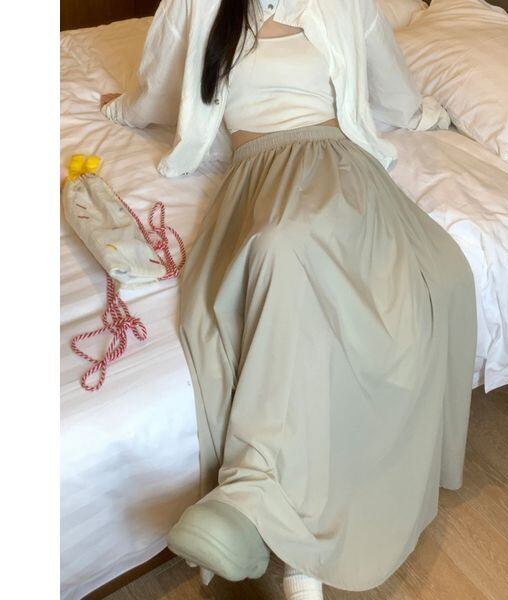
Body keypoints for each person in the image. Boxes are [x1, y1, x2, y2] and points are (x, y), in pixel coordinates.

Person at [100, 0, 477, 598]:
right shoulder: (197, 6)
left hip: (341, 167)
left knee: (414, 276)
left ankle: (262, 514)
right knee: (279, 246)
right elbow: (162, 81)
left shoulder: (347, 5)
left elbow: (391, 84)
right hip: (258, 172)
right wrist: (122, 109)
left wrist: (427, 114)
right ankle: (280, 529)